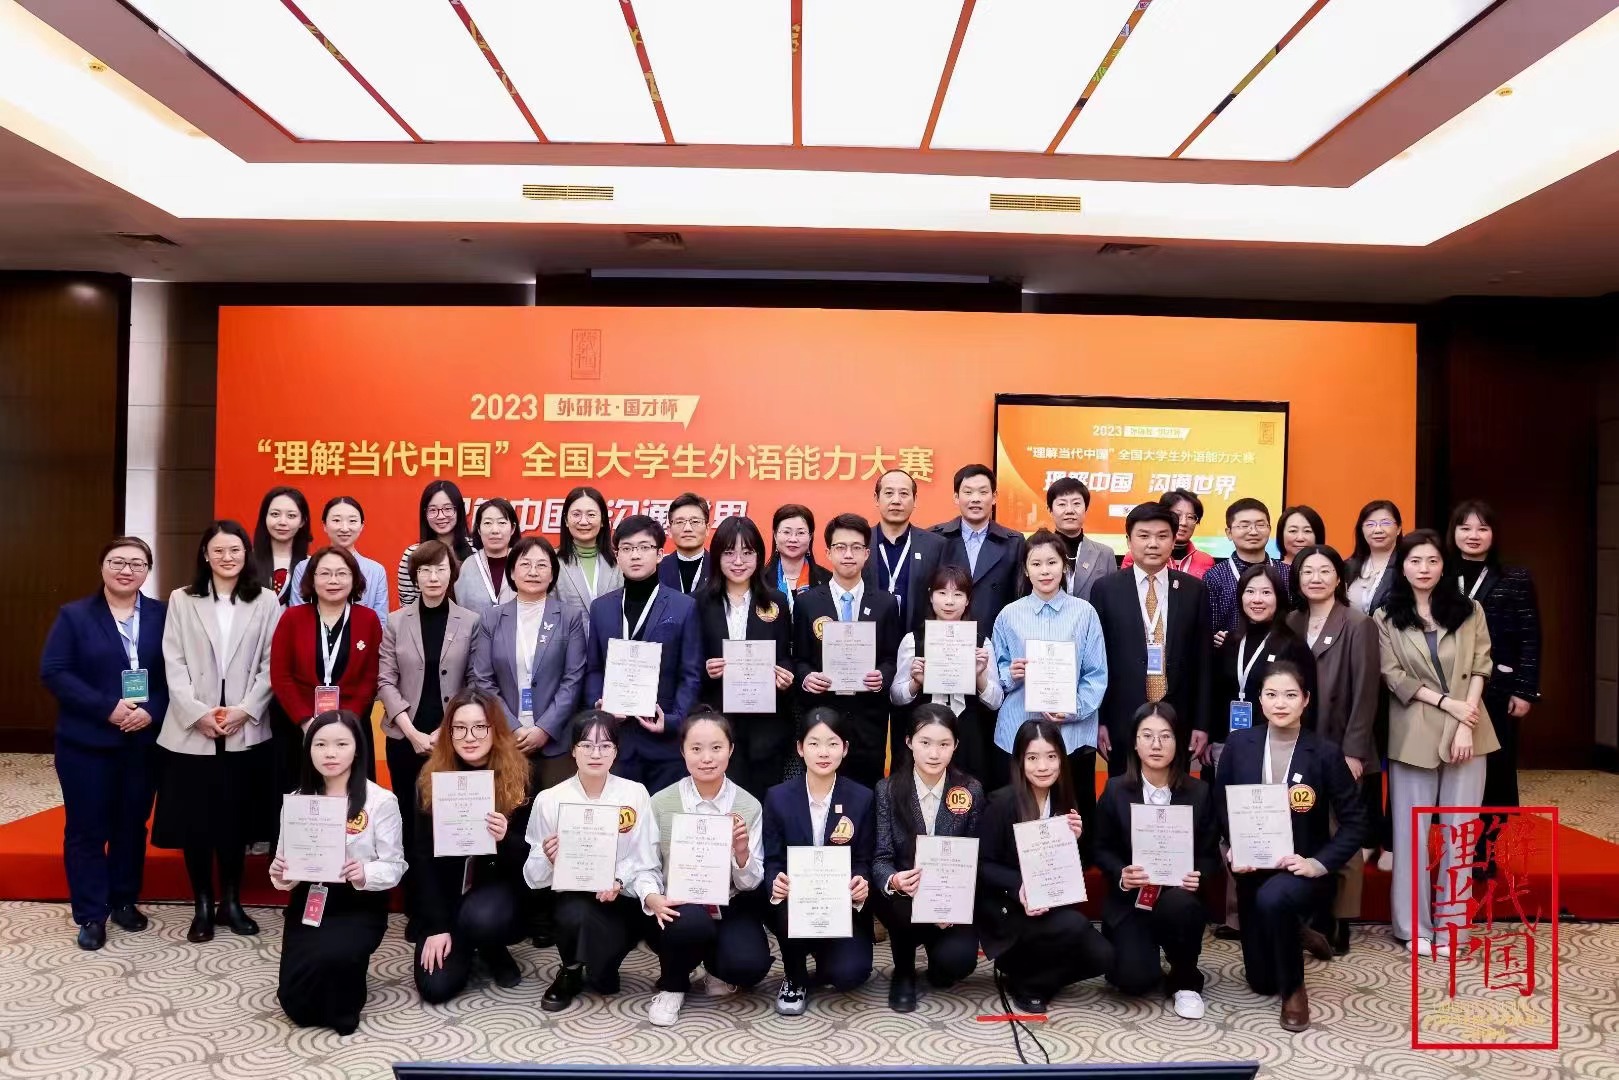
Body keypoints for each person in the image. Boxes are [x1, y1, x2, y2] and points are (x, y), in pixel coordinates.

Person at [1215, 664, 1366, 1031]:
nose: (1280, 703)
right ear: (1260, 699)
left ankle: (1295, 991)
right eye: (1271, 695)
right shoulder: (1239, 745)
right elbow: (1220, 808)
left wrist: (1319, 863)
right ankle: (1298, 931)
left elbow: (1357, 822)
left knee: (1276, 901)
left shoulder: (1325, 753)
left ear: (1306, 700)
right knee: (1261, 982)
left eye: (1290, 695)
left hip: (1302, 871)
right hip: (1252, 871)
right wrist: (1233, 847)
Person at [153, 520, 282, 943]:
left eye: (235, 550)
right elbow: (173, 662)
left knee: (235, 822)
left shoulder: (266, 600)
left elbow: (271, 663)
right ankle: (203, 905)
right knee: (197, 824)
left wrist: (245, 710)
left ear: (247, 555)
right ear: (205, 555)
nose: (228, 557)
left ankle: (231, 901)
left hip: (244, 730)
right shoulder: (182, 599)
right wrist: (197, 714)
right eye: (219, 550)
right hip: (193, 731)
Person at [39, 537, 169, 950]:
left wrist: (154, 710)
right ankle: (91, 913)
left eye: (137, 563)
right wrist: (107, 708)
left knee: (131, 825)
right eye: (118, 562)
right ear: (102, 566)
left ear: (147, 571)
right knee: (87, 829)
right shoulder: (75, 616)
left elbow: (179, 673)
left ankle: (124, 900)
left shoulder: (163, 615)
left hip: (143, 740)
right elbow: (55, 671)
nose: (126, 570)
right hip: (86, 743)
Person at [1375, 529, 1498, 955]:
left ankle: (1453, 929)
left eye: (1432, 561)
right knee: (1411, 834)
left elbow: (1481, 665)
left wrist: (1467, 718)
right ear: (1402, 567)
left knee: (1459, 833)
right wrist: (1448, 704)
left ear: (1444, 565)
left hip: (1469, 729)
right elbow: (1393, 676)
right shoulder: (1386, 616)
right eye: (1415, 561)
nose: (1423, 569)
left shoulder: (1470, 610)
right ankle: (1414, 927)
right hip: (1414, 730)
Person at [269, 711, 405, 1036]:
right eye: (320, 745)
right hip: (311, 900)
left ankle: (348, 973)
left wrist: (364, 872)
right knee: (295, 1003)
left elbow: (395, 866)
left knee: (337, 972)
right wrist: (281, 873)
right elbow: (286, 868)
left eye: (341, 744)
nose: (330, 753)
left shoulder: (380, 801)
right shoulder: (298, 801)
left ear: (357, 749)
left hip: (359, 903)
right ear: (309, 750)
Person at [523, 710, 660, 1012]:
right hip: (573, 900)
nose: (596, 754)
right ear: (573, 750)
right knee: (573, 912)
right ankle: (570, 970)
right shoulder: (550, 800)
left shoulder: (635, 794)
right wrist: (549, 859)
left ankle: (603, 965)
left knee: (603, 980)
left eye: (605, 745)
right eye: (586, 745)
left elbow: (648, 861)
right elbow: (532, 876)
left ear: (616, 751)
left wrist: (620, 880)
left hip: (619, 898)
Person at [643, 709, 772, 1027]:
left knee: (749, 966)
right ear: (683, 751)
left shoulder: (748, 806)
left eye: (716, 747)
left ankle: (713, 966)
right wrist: (652, 897)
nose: (706, 758)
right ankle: (673, 985)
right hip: (677, 906)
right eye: (696, 748)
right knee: (690, 924)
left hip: (729, 903)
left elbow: (750, 882)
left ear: (731, 749)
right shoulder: (661, 802)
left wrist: (741, 853)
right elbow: (644, 864)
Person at [975, 718, 1113, 1014]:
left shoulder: (1065, 800)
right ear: (1019, 761)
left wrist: (1076, 840)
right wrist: (1018, 887)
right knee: (1076, 925)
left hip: (1050, 907)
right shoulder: (1001, 803)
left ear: (1062, 759)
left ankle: (1031, 981)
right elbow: (982, 864)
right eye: (1033, 758)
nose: (1043, 767)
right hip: (1010, 910)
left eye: (1051, 757)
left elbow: (1075, 869)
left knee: (1103, 956)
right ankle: (1028, 984)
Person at [1093, 703, 1220, 1020]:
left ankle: (1185, 979)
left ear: (1179, 742)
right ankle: (1140, 954)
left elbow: (1209, 855)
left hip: (1178, 897)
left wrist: (1199, 875)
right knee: (1133, 981)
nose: (1156, 744)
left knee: (1181, 904)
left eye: (1166, 736)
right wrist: (1121, 873)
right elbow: (1101, 848)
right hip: (1131, 901)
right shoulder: (1115, 790)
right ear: (1134, 743)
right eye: (1147, 736)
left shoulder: (1199, 793)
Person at [378, 538, 478, 940]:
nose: (433, 577)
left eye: (440, 569)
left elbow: (474, 681)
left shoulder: (470, 621)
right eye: (425, 570)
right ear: (414, 576)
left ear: (452, 574)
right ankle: (417, 907)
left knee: (450, 824)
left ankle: (450, 906)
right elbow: (385, 680)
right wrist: (411, 730)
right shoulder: (395, 621)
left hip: (455, 740)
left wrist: (444, 732)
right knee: (410, 823)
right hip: (405, 739)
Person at [1286, 544, 1381, 954]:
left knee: (1341, 829)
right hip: (1300, 743)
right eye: (1307, 571)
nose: (1316, 578)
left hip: (1342, 743)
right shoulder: (1291, 621)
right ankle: (1311, 914)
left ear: (1338, 578)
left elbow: (1366, 692)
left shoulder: (1358, 623)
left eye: (1325, 570)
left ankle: (1341, 919)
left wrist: (1355, 751)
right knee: (1305, 825)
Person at [413, 689, 534, 1003]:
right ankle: (462, 942)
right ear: (448, 732)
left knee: (483, 918)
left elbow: (532, 862)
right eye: (460, 728)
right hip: (447, 894)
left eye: (480, 727)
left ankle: (492, 947)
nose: (470, 737)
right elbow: (422, 859)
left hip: (494, 892)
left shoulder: (518, 776)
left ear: (495, 730)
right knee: (436, 988)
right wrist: (437, 926)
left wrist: (505, 838)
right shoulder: (430, 778)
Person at [989, 531, 1108, 849]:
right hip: (1017, 729)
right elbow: (994, 675)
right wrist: (1011, 674)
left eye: (1052, 563)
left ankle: (1071, 877)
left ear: (1064, 567)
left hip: (1072, 734)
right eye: (1036, 563)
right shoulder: (1009, 615)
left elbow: (1096, 674)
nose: (1045, 571)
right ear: (1025, 570)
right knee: (1018, 818)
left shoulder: (1084, 613)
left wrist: (1073, 709)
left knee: (1072, 817)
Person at [763, 707, 876, 1016]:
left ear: (845, 748)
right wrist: (775, 880)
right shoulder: (778, 797)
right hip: (795, 903)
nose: (823, 752)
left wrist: (861, 880)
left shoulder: (861, 798)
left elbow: (863, 859)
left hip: (840, 905)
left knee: (850, 974)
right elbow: (772, 859)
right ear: (800, 748)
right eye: (814, 743)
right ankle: (794, 975)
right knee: (782, 903)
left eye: (832, 743)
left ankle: (825, 959)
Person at [872, 704, 985, 1012]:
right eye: (925, 742)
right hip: (905, 900)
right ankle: (904, 972)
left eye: (944, 744)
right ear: (909, 742)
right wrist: (894, 880)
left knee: (957, 963)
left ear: (956, 745)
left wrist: (957, 900)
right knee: (895, 900)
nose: (934, 754)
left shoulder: (970, 790)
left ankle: (937, 962)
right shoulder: (888, 790)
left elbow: (975, 857)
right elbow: (881, 858)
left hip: (950, 902)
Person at [1446, 500, 1541, 855]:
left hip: (1498, 689)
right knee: (1451, 763)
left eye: (1482, 529)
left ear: (1493, 534)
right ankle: (1452, 848)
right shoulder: (1439, 573)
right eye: (1465, 528)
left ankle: (1486, 851)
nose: (1473, 535)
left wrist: (1525, 690)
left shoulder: (1515, 577)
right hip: (1448, 687)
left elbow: (1530, 636)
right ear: (1454, 532)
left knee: (1496, 769)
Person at [1089, 503, 1212, 776]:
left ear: (1174, 540)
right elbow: (1097, 661)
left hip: (1177, 718)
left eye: (1162, 536)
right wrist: (1100, 720)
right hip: (1122, 718)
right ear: (1129, 540)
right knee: (1123, 791)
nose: (1153, 544)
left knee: (1175, 793)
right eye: (1144, 536)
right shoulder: (1106, 589)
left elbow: (1203, 662)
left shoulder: (1194, 590)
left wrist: (1202, 724)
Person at [584, 515, 704, 793]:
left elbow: (691, 673)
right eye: (626, 548)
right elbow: (594, 668)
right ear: (617, 556)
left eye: (644, 547)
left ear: (660, 554)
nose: (635, 555)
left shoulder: (683, 606)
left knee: (663, 815)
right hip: (615, 739)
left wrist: (673, 720)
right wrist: (599, 707)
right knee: (619, 816)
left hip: (663, 740)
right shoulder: (601, 608)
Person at [791, 513, 901, 789]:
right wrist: (806, 678)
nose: (848, 554)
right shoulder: (807, 603)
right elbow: (799, 659)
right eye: (840, 547)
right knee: (822, 791)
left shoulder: (886, 604)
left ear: (866, 553)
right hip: (823, 720)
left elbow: (891, 658)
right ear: (828, 553)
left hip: (868, 722)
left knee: (866, 795)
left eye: (856, 547)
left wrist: (883, 676)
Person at [471, 534, 588, 791]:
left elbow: (573, 678)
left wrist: (544, 728)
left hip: (555, 742)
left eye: (542, 565)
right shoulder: (492, 618)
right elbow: (483, 680)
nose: (533, 572)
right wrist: (512, 727)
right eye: (525, 564)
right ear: (512, 572)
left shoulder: (569, 617)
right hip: (505, 738)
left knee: (553, 811)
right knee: (507, 810)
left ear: (552, 574)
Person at [694, 516, 794, 797]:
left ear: (759, 556)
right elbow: (689, 664)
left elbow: (785, 655)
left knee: (764, 801)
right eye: (729, 553)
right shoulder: (698, 603)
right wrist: (706, 670)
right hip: (716, 723)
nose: (738, 561)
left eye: (747, 552)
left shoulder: (776, 601)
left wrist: (785, 675)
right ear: (717, 556)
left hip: (766, 727)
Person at [270, 546, 384, 774]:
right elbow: (281, 676)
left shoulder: (368, 619)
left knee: (350, 792)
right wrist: (306, 721)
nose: (333, 580)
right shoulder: (292, 618)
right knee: (300, 791)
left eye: (342, 573)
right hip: (297, 727)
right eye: (324, 573)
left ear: (354, 578)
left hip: (351, 727)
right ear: (312, 579)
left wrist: (345, 722)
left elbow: (370, 677)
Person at [892, 564, 1004, 784]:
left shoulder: (981, 643)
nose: (949, 601)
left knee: (969, 794)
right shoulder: (913, 640)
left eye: (958, 594)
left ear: (968, 600)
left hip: (968, 735)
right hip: (924, 733)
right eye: (942, 593)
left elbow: (996, 701)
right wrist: (915, 683)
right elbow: (896, 696)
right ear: (931, 596)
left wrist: (979, 677)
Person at [1208, 563, 1317, 760]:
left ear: (1279, 598)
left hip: (1274, 748)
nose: (1257, 599)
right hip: (1226, 746)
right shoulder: (1229, 642)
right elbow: (1216, 695)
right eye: (1250, 591)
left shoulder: (1293, 646)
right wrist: (1212, 738)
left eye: (1266, 592)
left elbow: (1308, 706)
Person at [932, 464, 1027, 642]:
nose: (975, 499)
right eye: (968, 492)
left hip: (996, 638)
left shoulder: (1014, 542)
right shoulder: (935, 538)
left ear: (994, 497)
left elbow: (1020, 597)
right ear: (956, 497)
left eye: (983, 492)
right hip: (945, 641)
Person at [864, 468, 946, 633]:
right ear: (876, 498)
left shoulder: (935, 545)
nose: (896, 500)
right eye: (889, 493)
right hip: (868, 640)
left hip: (919, 640)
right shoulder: (861, 543)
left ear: (915, 500)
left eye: (904, 494)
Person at [286, 496, 390, 622]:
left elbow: (381, 621)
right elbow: (297, 618)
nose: (344, 528)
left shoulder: (376, 571)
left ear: (361, 526)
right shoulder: (304, 567)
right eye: (336, 520)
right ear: (324, 525)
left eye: (352, 521)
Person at [1202, 498, 1291, 640]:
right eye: (1244, 525)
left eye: (1260, 525)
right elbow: (1208, 629)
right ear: (1229, 533)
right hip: (1230, 652)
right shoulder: (1214, 576)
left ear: (1269, 529)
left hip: (1280, 651)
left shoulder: (1287, 573)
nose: (1253, 531)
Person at [396, 480, 474, 607]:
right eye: (433, 510)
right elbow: (407, 605)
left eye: (447, 509)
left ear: (459, 510)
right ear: (425, 513)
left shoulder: (476, 550)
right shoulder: (412, 554)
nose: (441, 516)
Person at [1046, 476, 1115, 602]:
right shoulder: (1035, 551)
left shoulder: (1105, 554)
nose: (1069, 510)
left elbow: (1112, 600)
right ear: (1050, 510)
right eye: (1062, 504)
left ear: (1085, 509)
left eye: (1076, 504)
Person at [555, 486, 622, 614]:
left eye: (591, 515)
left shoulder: (619, 561)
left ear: (602, 520)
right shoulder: (552, 561)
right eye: (576, 514)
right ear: (566, 520)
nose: (583, 521)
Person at [455, 497, 521, 621]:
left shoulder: (524, 563)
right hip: (477, 632)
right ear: (479, 529)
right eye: (487, 523)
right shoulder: (468, 566)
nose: (495, 530)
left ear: (512, 528)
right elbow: (461, 609)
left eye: (502, 523)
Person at [1124, 489, 1215, 578]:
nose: (1183, 522)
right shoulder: (1136, 556)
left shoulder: (1205, 561)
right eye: (1177, 515)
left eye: (1190, 517)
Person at [764, 503, 831, 616]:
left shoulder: (827, 581)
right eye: (786, 532)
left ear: (810, 537)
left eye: (800, 533)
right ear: (775, 535)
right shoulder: (759, 581)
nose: (793, 539)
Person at [252, 486, 312, 605]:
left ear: (302, 521)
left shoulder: (310, 565)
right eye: (275, 514)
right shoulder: (246, 561)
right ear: (264, 517)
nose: (282, 522)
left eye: (291, 516)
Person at [1344, 500, 1403, 615]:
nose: (1378, 530)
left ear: (1398, 528)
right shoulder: (1348, 567)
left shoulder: (1406, 566)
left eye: (1385, 523)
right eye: (1370, 524)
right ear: (1361, 530)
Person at [659, 492, 713, 596]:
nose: (687, 528)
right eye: (680, 522)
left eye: (695, 521)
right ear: (669, 530)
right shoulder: (656, 569)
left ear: (707, 529)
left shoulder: (719, 568)